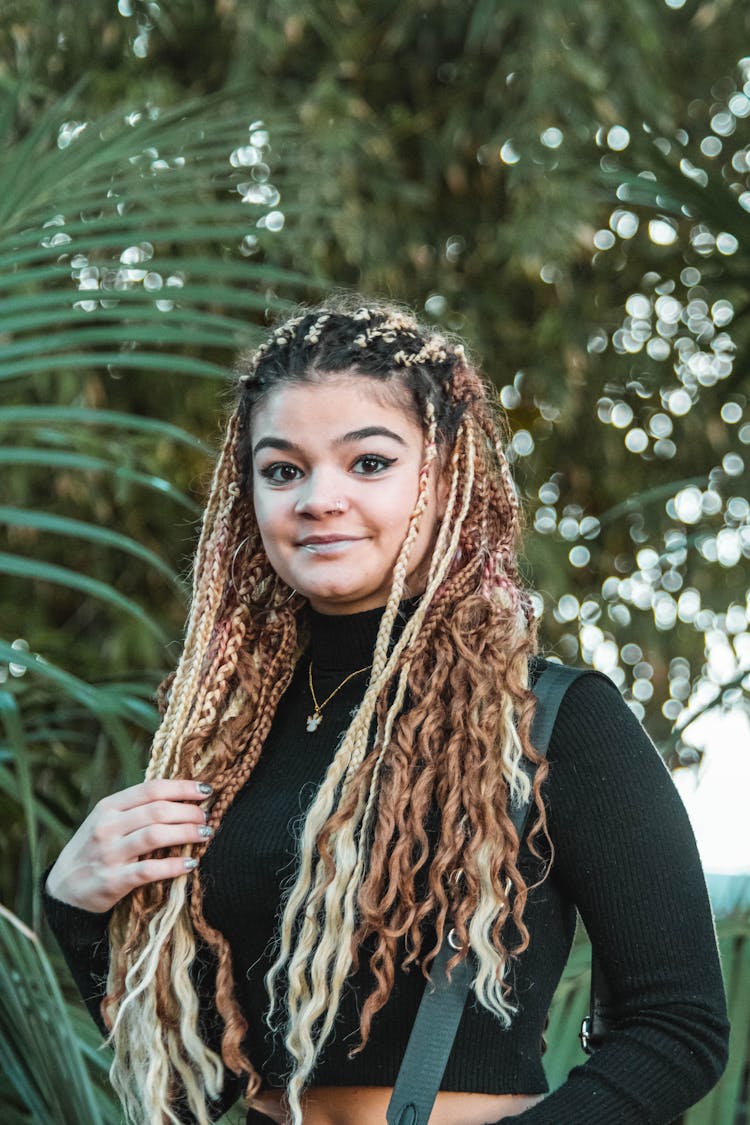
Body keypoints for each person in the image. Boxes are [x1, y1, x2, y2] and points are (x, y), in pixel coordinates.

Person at [42, 297, 729, 1125]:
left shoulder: (554, 719)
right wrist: (77, 909)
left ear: (441, 482)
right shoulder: (230, 737)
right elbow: (190, 1084)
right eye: (282, 469)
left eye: (367, 462)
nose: (318, 499)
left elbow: (678, 1027)